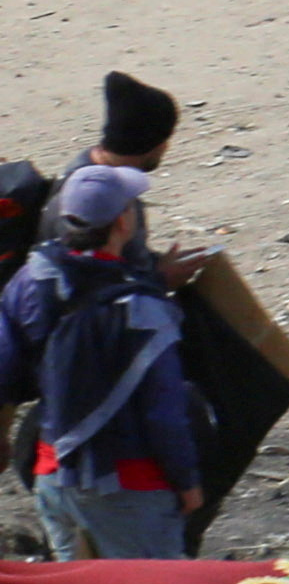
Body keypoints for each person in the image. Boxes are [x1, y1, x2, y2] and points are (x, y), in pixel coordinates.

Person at [0, 167, 197, 559]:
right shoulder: (145, 310)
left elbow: (5, 368)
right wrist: (187, 482)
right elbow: (164, 413)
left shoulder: (30, 280)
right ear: (124, 222)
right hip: (130, 488)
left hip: (53, 474)